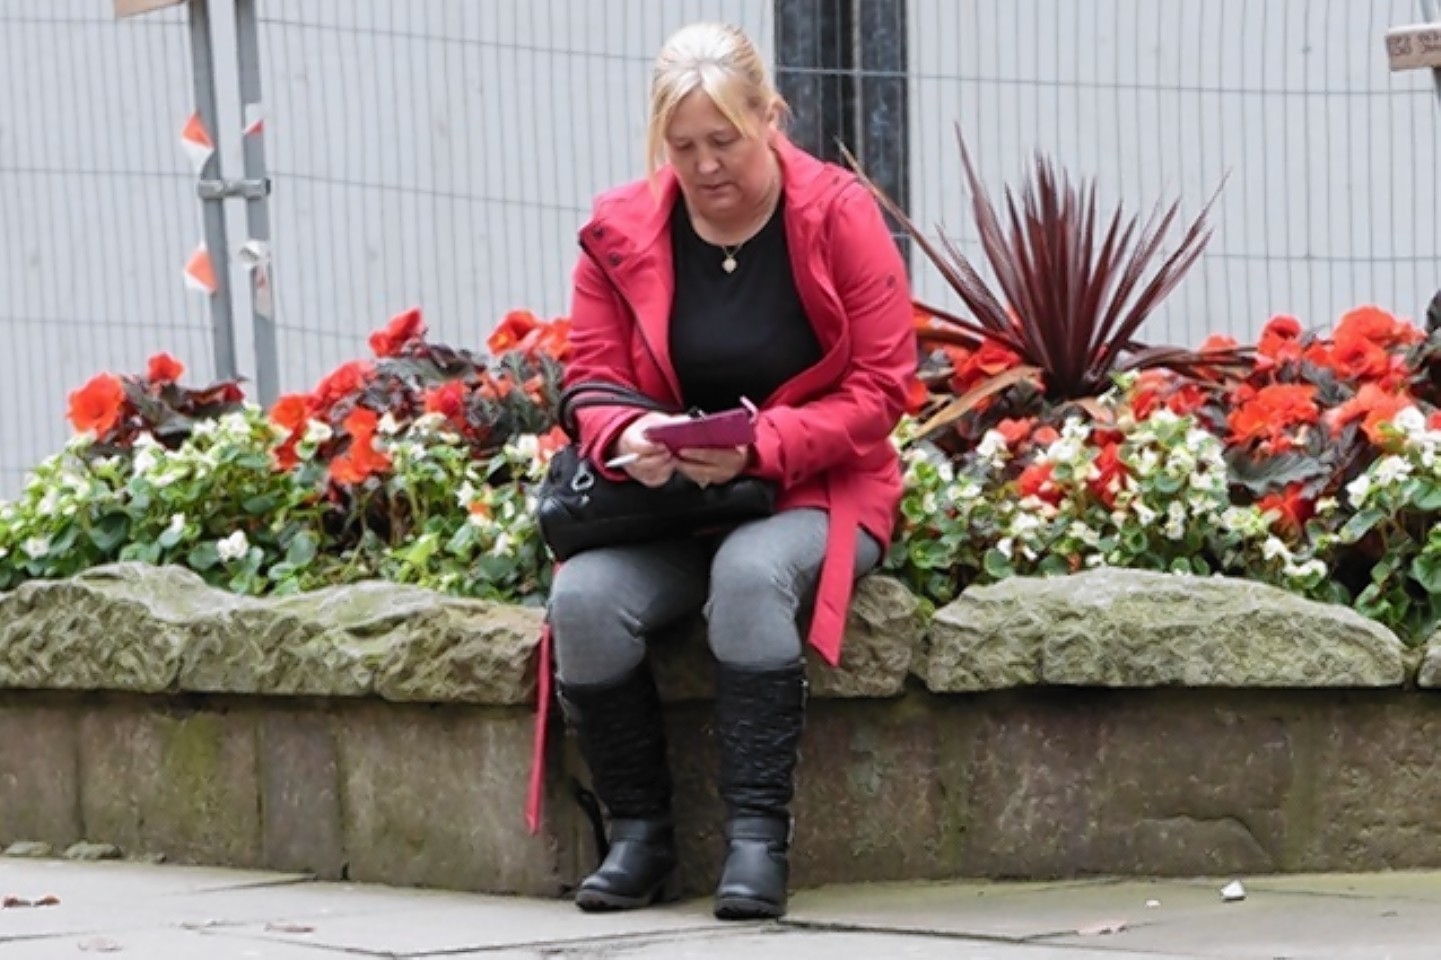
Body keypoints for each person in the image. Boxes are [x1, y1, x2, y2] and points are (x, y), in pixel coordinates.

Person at [547, 21, 915, 921]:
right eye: (682, 147)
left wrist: (762, 446)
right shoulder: (619, 230)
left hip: (811, 487)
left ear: (769, 118)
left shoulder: (836, 213)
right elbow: (588, 375)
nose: (706, 166)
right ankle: (639, 837)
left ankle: (757, 841)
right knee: (583, 603)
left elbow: (882, 388)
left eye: (725, 141)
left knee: (750, 577)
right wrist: (627, 437)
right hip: (667, 501)